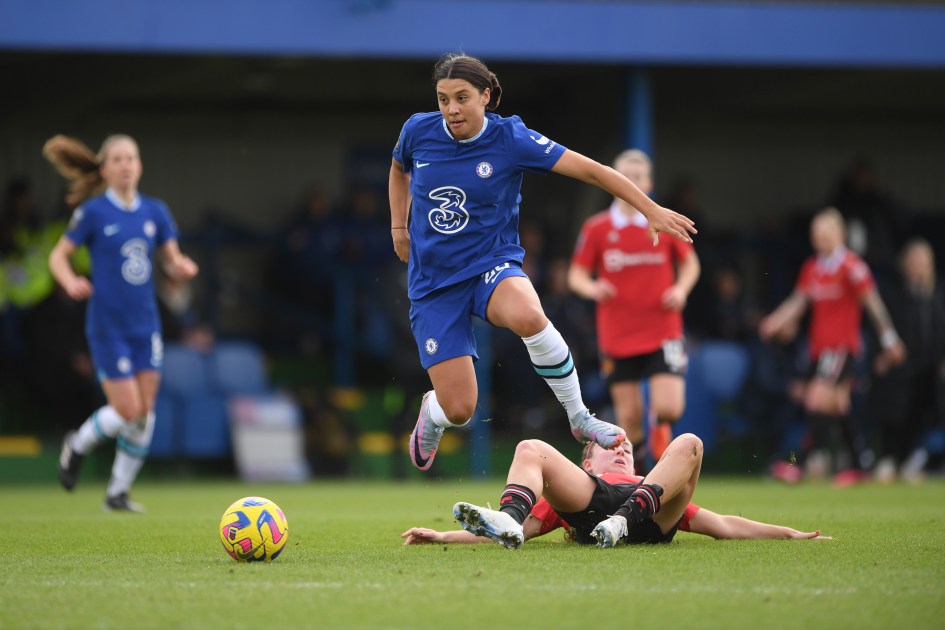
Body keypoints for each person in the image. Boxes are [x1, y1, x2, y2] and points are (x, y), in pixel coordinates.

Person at [389, 53, 696, 471]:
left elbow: (592, 171)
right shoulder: (418, 130)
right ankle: (434, 412)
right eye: (443, 99)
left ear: (486, 96)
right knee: (461, 408)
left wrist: (649, 209)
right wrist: (398, 228)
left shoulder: (511, 139)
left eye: (462, 97)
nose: (451, 109)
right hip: (434, 283)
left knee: (529, 314)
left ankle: (579, 416)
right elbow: (398, 169)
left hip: (488, 265)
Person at [44, 134, 198, 512]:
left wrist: (180, 266)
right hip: (107, 326)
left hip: (145, 326)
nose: (126, 165)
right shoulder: (93, 213)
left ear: (140, 166)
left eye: (131, 158)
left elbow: (170, 258)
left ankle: (117, 493)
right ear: (105, 169)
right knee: (127, 410)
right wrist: (69, 280)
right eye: (117, 159)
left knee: (145, 413)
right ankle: (76, 445)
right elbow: (58, 257)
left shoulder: (155, 211)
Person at [401, 434, 828, 549]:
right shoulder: (582, 485)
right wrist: (442, 536)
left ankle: (624, 520)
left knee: (691, 443)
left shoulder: (649, 481)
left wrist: (789, 533)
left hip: (648, 514)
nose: (621, 448)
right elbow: (528, 531)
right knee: (529, 448)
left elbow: (725, 526)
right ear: (588, 463)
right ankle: (507, 514)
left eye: (625, 446)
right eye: (609, 446)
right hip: (593, 508)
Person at [568, 149, 700, 472]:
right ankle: (637, 479)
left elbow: (690, 264)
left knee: (669, 408)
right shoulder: (597, 228)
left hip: (662, 329)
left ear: (649, 182)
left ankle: (660, 425)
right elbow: (576, 275)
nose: (630, 182)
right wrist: (593, 287)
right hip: (618, 333)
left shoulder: (661, 219)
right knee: (628, 419)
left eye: (637, 177)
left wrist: (680, 290)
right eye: (623, 176)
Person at [759, 207, 905, 486]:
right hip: (819, 349)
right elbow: (798, 301)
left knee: (815, 399)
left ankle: (797, 463)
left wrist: (890, 340)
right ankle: (862, 463)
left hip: (841, 348)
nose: (820, 239)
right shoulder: (812, 268)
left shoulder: (853, 267)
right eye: (816, 234)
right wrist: (775, 321)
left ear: (840, 234)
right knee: (838, 405)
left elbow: (873, 305)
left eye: (826, 233)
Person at [870, 239, 945, 483]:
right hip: (901, 369)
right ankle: (890, 457)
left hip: (930, 370)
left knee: (930, 409)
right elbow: (879, 328)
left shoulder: (937, 296)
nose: (919, 266)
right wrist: (882, 354)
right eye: (914, 261)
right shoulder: (893, 294)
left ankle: (918, 457)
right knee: (895, 408)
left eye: (924, 261)